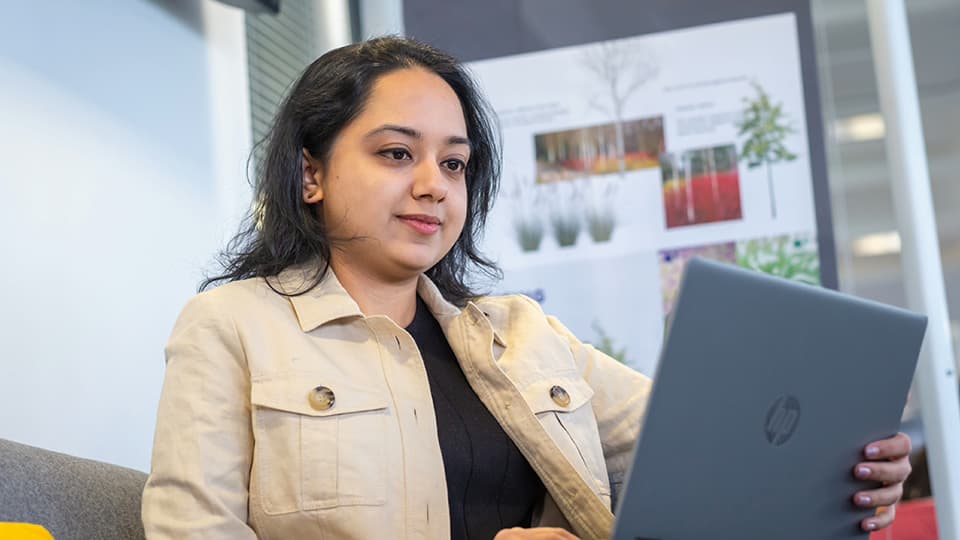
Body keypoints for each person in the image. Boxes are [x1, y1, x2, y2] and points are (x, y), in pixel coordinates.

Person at [141, 36, 913, 540]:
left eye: (453, 163)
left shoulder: (526, 335)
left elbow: (705, 446)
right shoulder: (231, 327)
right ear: (311, 173)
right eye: (394, 153)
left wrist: (847, 471)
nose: (432, 187)